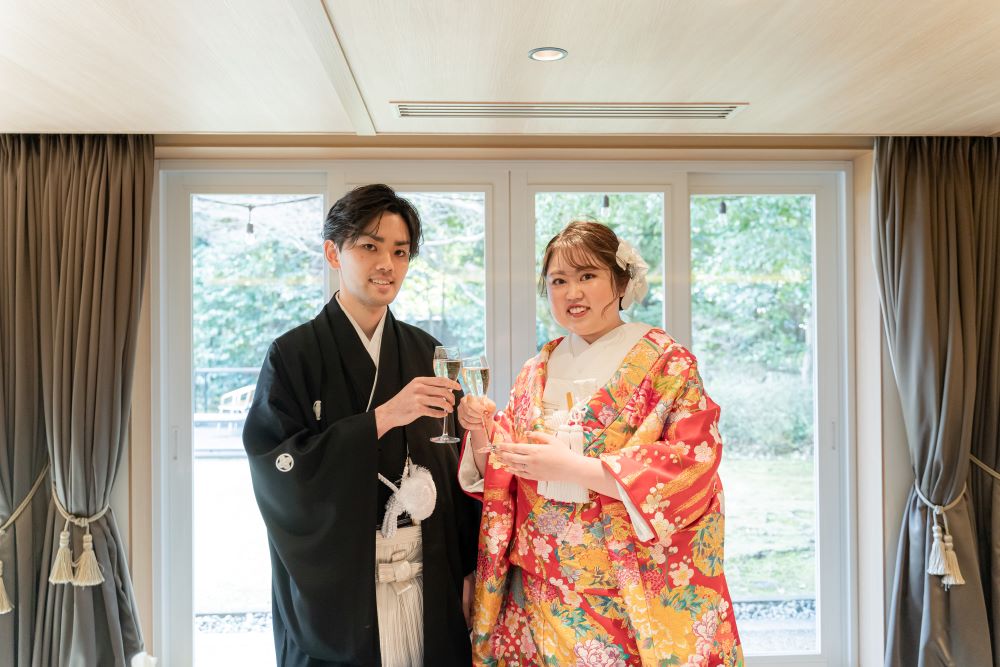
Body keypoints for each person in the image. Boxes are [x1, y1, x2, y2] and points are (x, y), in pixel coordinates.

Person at [457, 221, 743, 666]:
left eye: (587, 275)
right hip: (541, 587)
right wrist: (479, 428)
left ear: (621, 282)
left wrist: (572, 469)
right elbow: (503, 469)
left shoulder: (666, 363)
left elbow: (692, 461)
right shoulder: (536, 368)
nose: (572, 292)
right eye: (558, 281)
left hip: (625, 586)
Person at [243, 184, 480, 667]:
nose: (387, 264)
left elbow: (452, 471)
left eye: (400, 252)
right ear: (334, 253)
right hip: (340, 586)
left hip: (426, 575)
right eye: (370, 247)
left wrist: (470, 569)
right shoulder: (293, 354)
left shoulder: (425, 350)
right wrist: (384, 418)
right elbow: (278, 469)